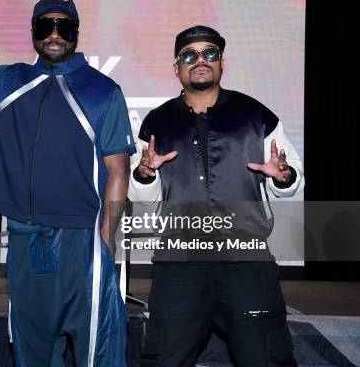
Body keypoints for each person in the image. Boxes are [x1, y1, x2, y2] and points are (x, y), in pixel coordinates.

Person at [0, 0, 135, 366]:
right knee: (32, 354)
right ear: (33, 31)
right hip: (23, 238)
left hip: (81, 242)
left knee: (98, 353)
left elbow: (118, 169)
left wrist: (105, 243)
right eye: (45, 26)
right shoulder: (12, 79)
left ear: (75, 33)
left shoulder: (102, 91)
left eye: (63, 27)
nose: (53, 35)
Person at [128, 25, 304, 366]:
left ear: (221, 62)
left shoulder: (257, 116)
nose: (200, 61)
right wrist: (146, 173)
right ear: (176, 67)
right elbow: (143, 199)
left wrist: (283, 179)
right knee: (165, 356)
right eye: (189, 55)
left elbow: (290, 187)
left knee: (265, 357)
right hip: (179, 263)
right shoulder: (156, 123)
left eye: (209, 53)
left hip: (246, 259)